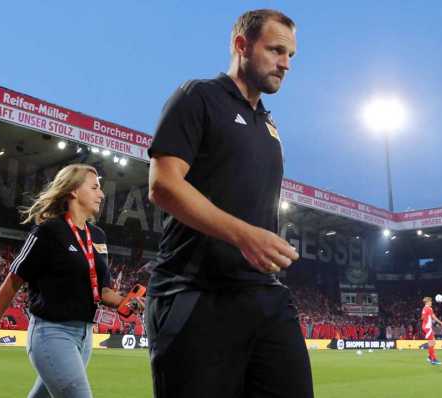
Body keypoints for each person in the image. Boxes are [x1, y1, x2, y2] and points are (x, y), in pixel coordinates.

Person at [144, 9, 312, 397]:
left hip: (264, 294)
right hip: (196, 293)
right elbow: (164, 185)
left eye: (290, 55)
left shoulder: (269, 125)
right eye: (275, 50)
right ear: (241, 45)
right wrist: (244, 236)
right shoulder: (198, 97)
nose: (285, 63)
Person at [0, 164, 143, 398]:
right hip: (51, 333)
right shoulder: (47, 232)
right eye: (94, 187)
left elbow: (103, 290)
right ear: (73, 191)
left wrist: (125, 301)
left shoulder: (98, 236)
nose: (101, 194)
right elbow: (11, 283)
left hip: (85, 336)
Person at [421, 296, 442, 365]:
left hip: (425, 327)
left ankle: (430, 357)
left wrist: (427, 319)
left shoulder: (424, 308)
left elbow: (422, 317)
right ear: (427, 302)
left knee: (432, 342)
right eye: (430, 301)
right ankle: (433, 359)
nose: (431, 303)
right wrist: (440, 322)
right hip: (428, 327)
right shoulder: (429, 308)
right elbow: (433, 316)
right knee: (432, 343)